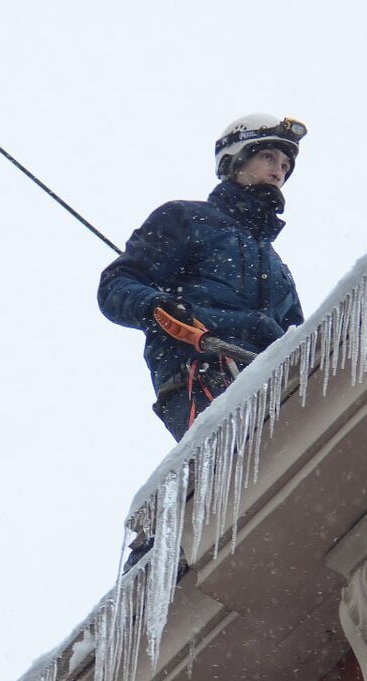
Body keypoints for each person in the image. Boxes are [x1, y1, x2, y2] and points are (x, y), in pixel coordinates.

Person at [98, 114, 306, 441]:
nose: (278, 170)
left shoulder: (277, 267)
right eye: (268, 157)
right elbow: (116, 286)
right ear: (235, 160)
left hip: (274, 386)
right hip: (201, 373)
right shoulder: (187, 219)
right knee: (242, 471)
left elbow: (298, 339)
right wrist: (157, 306)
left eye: (285, 164)